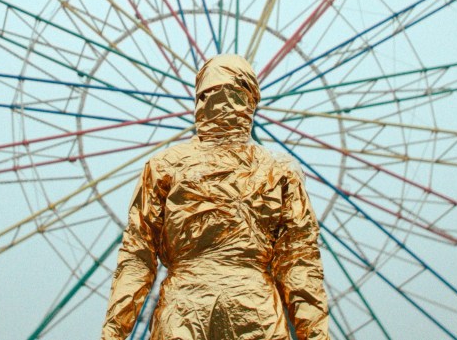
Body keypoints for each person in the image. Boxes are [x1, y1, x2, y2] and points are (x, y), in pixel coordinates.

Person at [100, 54, 331, 340]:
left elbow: (137, 258)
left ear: (199, 100)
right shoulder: (279, 170)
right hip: (257, 314)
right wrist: (317, 335)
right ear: (251, 101)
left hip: (182, 312)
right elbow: (300, 264)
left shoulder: (164, 166)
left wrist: (113, 333)